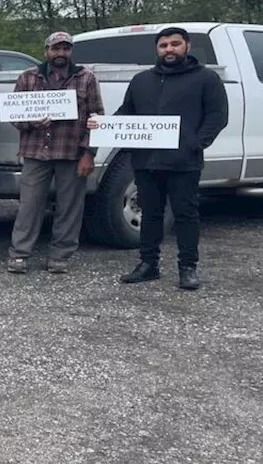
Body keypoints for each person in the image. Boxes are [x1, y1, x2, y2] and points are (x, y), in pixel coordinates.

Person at [88, 26, 228, 290]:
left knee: (186, 215)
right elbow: (126, 113)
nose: (169, 49)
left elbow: (217, 117)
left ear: (187, 46)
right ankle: (148, 263)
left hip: (184, 161)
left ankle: (188, 267)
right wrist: (103, 125)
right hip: (145, 161)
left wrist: (195, 144)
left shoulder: (206, 79)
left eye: (175, 44)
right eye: (163, 45)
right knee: (151, 213)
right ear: (157, 49)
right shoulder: (142, 80)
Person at [7, 32, 105, 274]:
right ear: (46, 51)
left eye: (65, 49)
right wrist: (32, 122)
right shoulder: (27, 78)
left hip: (71, 153)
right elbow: (14, 117)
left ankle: (60, 255)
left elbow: (97, 118)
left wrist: (89, 153)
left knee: (69, 208)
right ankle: (19, 254)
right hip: (35, 153)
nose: (60, 53)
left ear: (70, 52)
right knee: (29, 206)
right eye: (56, 49)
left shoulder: (86, 78)